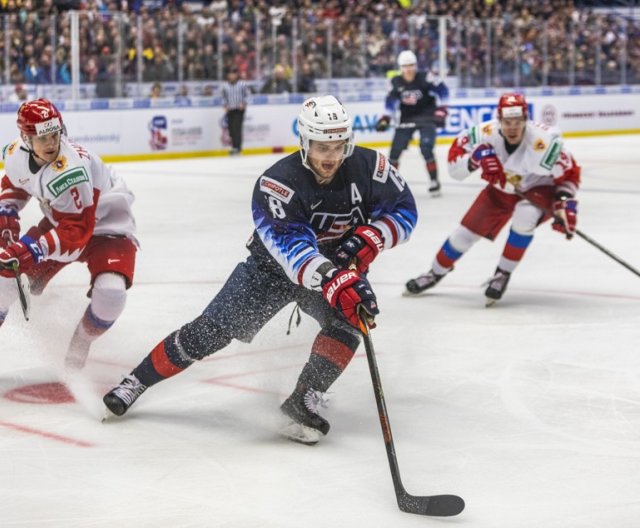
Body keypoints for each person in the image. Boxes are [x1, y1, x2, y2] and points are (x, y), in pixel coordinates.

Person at [102, 95, 417, 445]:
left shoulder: (371, 168)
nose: (330, 157)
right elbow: (293, 250)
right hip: (270, 271)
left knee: (349, 323)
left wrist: (370, 238)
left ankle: (302, 400)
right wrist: (333, 279)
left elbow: (404, 210)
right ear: (304, 141)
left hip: (337, 266)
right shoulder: (277, 183)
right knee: (208, 333)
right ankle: (137, 381)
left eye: (338, 145)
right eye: (320, 146)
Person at [404, 93, 581, 306]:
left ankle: (502, 274)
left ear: (526, 120)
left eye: (518, 122)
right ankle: (434, 273)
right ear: (499, 120)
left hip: (538, 190)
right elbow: (454, 169)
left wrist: (563, 202)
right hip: (500, 191)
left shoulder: (545, 142)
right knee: (463, 235)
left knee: (525, 216)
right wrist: (474, 159)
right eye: (507, 122)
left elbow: (571, 173)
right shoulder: (483, 134)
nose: (513, 128)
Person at [0, 99, 138, 369]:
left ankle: (80, 344)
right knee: (6, 279)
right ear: (26, 139)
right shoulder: (15, 153)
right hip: (61, 221)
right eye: (43, 138)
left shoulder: (71, 170)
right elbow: (16, 181)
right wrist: (7, 211)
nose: (52, 143)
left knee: (111, 295)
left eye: (55, 134)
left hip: (108, 228)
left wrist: (28, 250)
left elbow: (76, 235)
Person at [375, 50, 449, 197]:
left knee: (426, 148)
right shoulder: (395, 82)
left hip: (427, 118)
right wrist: (385, 118)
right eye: (405, 66)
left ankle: (434, 181)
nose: (408, 69)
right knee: (395, 151)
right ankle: (389, 185)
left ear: (415, 65)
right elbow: (390, 102)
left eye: (411, 65)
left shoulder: (426, 77)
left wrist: (442, 111)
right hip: (407, 119)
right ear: (400, 67)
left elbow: (443, 91)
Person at [221, 68, 250, 155]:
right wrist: (225, 105)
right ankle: (234, 146)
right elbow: (223, 97)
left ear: (236, 75)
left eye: (233, 74)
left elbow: (248, 95)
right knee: (231, 128)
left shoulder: (242, 84)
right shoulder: (225, 86)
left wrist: (244, 103)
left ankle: (237, 147)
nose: (231, 76)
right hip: (230, 110)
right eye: (230, 74)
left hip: (239, 109)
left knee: (237, 127)